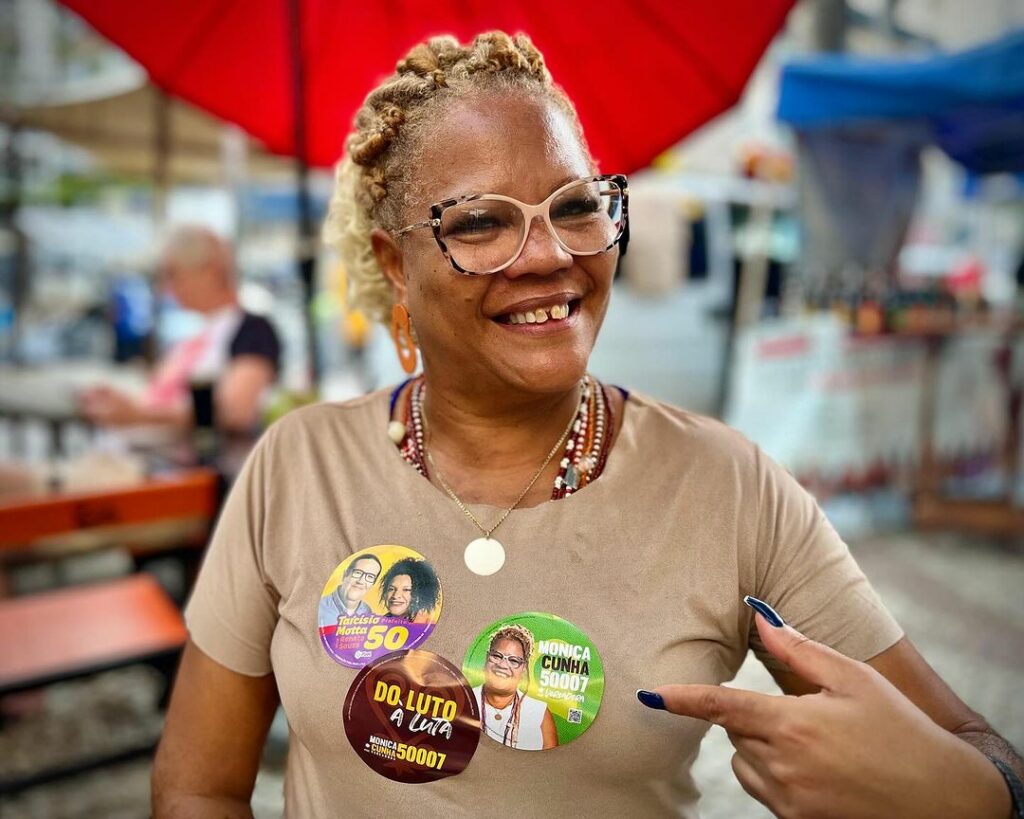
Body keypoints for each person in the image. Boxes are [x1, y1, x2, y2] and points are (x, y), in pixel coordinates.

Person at [153, 31, 1023, 819]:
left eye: (575, 206)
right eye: (481, 222)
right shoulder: (299, 465)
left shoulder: (729, 486)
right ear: (395, 265)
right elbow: (196, 784)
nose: (547, 255)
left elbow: (981, 750)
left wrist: (951, 791)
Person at [79, 225, 281, 434]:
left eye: (173, 275)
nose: (168, 288)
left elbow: (235, 411)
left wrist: (138, 414)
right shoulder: (200, 335)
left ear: (209, 271)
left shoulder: (253, 330)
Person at [472, 624, 558, 751]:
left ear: (524, 668)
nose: (502, 665)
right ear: (487, 658)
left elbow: (549, 764)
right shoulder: (464, 700)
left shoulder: (539, 712)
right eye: (496, 656)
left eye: (513, 660)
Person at [320, 555, 382, 623]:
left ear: (372, 584)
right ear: (345, 574)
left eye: (370, 577)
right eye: (358, 572)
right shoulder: (320, 607)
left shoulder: (367, 611)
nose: (361, 581)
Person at [378, 557, 441, 622]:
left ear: (419, 596)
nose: (396, 595)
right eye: (391, 589)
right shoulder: (378, 625)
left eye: (406, 590)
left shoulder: (428, 625)